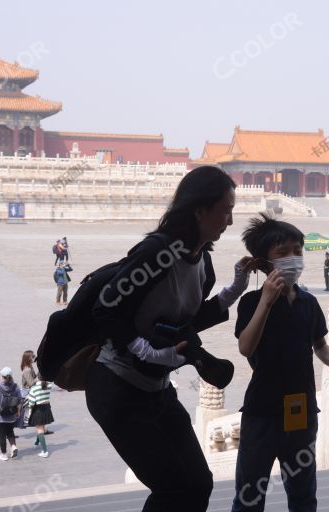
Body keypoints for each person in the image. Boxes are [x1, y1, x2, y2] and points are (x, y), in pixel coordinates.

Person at [85, 166, 258, 512]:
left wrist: (233, 291)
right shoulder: (155, 255)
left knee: (199, 484)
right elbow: (106, 309)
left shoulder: (203, 265)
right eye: (225, 210)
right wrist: (143, 350)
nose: (229, 221)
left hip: (157, 390)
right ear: (199, 211)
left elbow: (185, 323)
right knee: (174, 490)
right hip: (117, 389)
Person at [232, 215, 329, 512]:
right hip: (262, 413)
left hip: (302, 412)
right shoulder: (250, 302)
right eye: (282, 253)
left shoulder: (309, 302)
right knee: (249, 495)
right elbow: (246, 347)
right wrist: (267, 301)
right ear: (264, 262)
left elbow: (318, 344)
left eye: (298, 251)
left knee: (304, 494)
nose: (293, 259)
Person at [0, 367, 22, 461]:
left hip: (0, 416)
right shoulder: (15, 387)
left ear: (2, 376)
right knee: (10, 432)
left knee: (1, 434)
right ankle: (13, 446)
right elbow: (19, 400)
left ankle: (3, 454)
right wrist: (18, 411)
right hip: (11, 415)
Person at [26, 379, 55, 458]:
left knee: (40, 429)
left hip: (38, 410)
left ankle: (45, 451)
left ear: (38, 377)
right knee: (41, 427)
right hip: (47, 408)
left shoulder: (34, 388)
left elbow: (31, 402)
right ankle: (37, 442)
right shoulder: (49, 385)